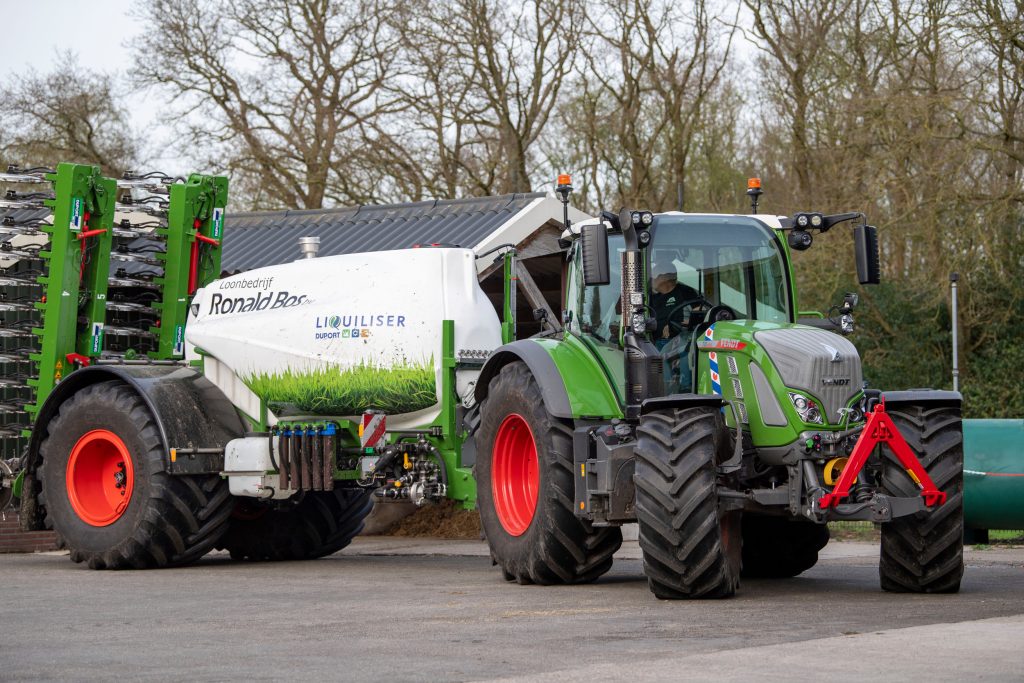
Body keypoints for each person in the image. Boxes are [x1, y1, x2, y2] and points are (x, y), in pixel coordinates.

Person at [649, 263, 702, 346]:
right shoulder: (651, 297)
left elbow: (701, 312)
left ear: (663, 277)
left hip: (682, 342)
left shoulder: (685, 292)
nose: (651, 280)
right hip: (654, 344)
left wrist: (678, 325)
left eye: (653, 277)